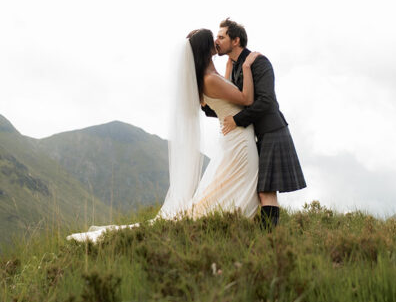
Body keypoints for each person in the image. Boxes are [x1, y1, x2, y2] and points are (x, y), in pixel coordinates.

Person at [68, 29, 260, 243]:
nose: (216, 41)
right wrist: (245, 66)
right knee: (240, 183)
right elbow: (246, 98)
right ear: (205, 48)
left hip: (236, 139)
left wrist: (228, 66)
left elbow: (227, 92)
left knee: (231, 185)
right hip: (239, 141)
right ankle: (230, 225)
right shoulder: (209, 80)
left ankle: (228, 223)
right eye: (212, 39)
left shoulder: (210, 78)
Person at [211, 18, 306, 229]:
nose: (216, 40)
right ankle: (267, 237)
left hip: (272, 130)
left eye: (221, 37)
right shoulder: (235, 66)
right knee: (261, 189)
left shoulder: (259, 62)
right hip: (259, 134)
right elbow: (232, 101)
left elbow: (266, 101)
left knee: (265, 189)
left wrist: (236, 120)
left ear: (235, 40)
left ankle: (268, 238)